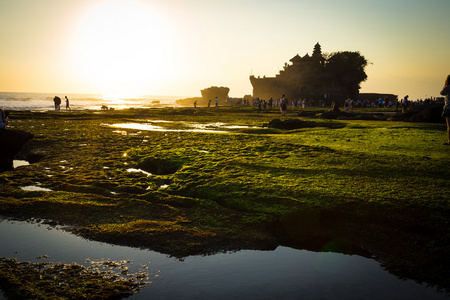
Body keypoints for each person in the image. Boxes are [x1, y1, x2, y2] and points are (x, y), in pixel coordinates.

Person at [440, 74, 450, 145]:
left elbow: (441, 93)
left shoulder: (447, 87)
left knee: (449, 125)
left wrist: (445, 85)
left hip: (448, 107)